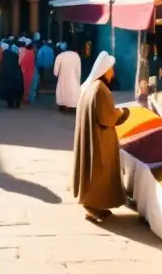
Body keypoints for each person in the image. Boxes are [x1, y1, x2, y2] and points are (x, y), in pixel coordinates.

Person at [73, 51, 130, 223]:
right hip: (99, 139)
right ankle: (91, 206)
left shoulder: (90, 86)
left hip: (92, 137)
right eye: (111, 69)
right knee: (99, 172)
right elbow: (108, 117)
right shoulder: (101, 90)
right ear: (105, 70)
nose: (113, 73)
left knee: (93, 171)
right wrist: (124, 113)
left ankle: (97, 205)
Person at [54, 41, 82, 113]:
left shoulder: (60, 55)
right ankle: (72, 106)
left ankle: (62, 105)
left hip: (62, 77)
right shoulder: (76, 56)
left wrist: (56, 74)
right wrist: (78, 79)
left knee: (62, 91)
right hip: (73, 78)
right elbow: (78, 70)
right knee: (73, 91)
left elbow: (56, 70)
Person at [0, 43, 25, 109]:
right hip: (17, 76)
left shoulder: (6, 59)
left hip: (8, 78)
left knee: (9, 90)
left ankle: (10, 103)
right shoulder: (16, 57)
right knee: (17, 89)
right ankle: (17, 102)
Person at [18, 37, 36, 104]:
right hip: (30, 71)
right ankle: (26, 99)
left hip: (24, 71)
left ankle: (24, 98)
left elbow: (20, 62)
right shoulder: (32, 53)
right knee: (29, 85)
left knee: (24, 85)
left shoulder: (23, 51)